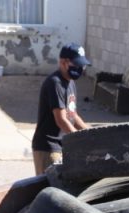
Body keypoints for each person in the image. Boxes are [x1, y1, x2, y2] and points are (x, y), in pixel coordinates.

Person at [31, 43, 91, 176]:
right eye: (76, 65)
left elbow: (73, 115)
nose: (80, 68)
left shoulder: (70, 83)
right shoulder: (55, 83)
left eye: (82, 65)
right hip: (48, 148)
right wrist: (79, 140)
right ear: (63, 62)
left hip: (62, 146)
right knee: (50, 189)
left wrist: (90, 134)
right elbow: (61, 120)